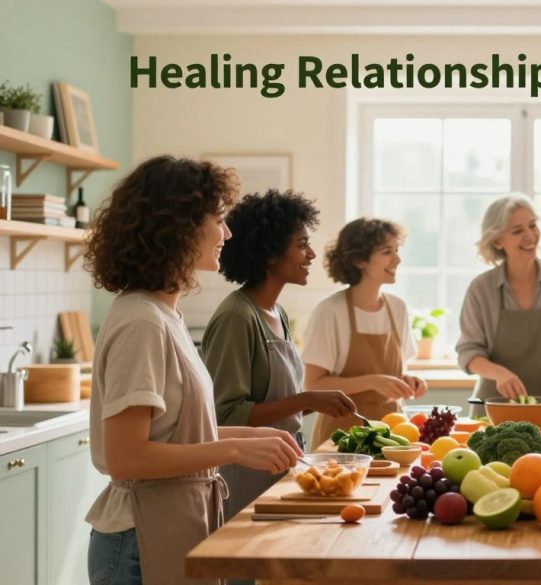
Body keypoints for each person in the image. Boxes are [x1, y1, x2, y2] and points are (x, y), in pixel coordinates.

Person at [83, 156, 301, 585]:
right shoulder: (142, 321)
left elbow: (173, 435)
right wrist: (234, 451)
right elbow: (126, 458)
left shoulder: (165, 314)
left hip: (168, 523)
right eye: (219, 219)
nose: (228, 233)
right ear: (178, 227)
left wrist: (250, 436)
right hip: (137, 539)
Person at [202, 190, 356, 522]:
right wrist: (307, 400)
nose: (312, 254)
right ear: (271, 253)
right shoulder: (237, 317)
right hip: (243, 473)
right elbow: (225, 415)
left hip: (279, 463)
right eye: (302, 245)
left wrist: (307, 402)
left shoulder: (277, 312)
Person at [456, 194, 541, 416]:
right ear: (498, 240)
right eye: (517, 231)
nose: (530, 236)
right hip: (493, 410)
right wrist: (499, 373)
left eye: (532, 226)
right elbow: (468, 353)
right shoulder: (481, 289)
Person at [303, 218, 427, 448]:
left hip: (391, 435)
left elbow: (398, 370)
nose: (397, 259)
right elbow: (314, 385)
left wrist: (407, 381)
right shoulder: (330, 311)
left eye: (397, 250)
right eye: (387, 252)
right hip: (340, 438)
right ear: (359, 260)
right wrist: (373, 382)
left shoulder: (397, 308)